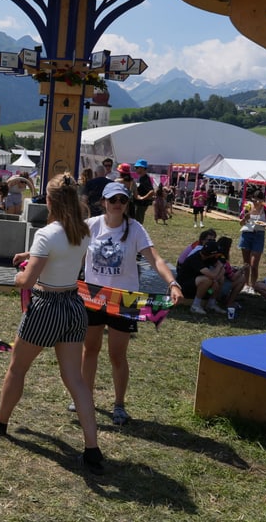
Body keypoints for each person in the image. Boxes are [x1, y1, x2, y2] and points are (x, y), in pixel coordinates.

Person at [0, 173, 105, 475]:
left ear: (51, 201)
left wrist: (18, 275)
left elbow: (28, 279)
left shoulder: (47, 234)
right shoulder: (83, 231)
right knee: (75, 380)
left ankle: (0, 422)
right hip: (74, 305)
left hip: (45, 307)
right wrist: (31, 255)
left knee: (17, 368)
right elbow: (60, 258)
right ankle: (92, 449)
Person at [78, 181, 184, 425]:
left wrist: (172, 283)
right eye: (112, 200)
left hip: (124, 299)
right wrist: (33, 256)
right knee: (89, 349)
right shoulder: (91, 225)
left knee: (117, 355)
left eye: (122, 200)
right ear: (103, 202)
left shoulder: (134, 229)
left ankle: (119, 404)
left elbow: (155, 259)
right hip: (93, 296)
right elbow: (63, 246)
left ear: (127, 203)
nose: (117, 204)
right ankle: (85, 397)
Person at [177, 239, 225, 315]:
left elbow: (222, 271)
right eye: (217, 254)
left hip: (198, 285)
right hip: (184, 287)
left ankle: (211, 304)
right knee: (207, 280)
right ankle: (195, 305)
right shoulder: (195, 259)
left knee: (216, 283)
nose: (217, 256)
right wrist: (219, 267)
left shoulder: (209, 258)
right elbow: (213, 274)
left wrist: (218, 275)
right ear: (211, 254)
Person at [238, 189, 266, 292]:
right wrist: (245, 218)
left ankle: (253, 285)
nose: (256, 203)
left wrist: (265, 224)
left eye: (259, 201)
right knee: (246, 263)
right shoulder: (248, 207)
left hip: (259, 235)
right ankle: (246, 284)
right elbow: (241, 223)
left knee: (254, 264)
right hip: (246, 234)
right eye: (255, 200)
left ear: (263, 200)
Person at [216, 236, 248, 312]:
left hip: (210, 289)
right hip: (217, 289)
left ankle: (224, 298)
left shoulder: (214, 255)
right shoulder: (223, 260)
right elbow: (232, 277)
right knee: (242, 278)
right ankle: (229, 302)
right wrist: (242, 269)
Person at [131, 159, 155, 224]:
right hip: (139, 203)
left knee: (137, 222)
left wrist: (142, 198)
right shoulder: (142, 177)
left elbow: (152, 191)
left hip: (141, 204)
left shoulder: (145, 178)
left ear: (142, 168)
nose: (135, 169)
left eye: (137, 167)